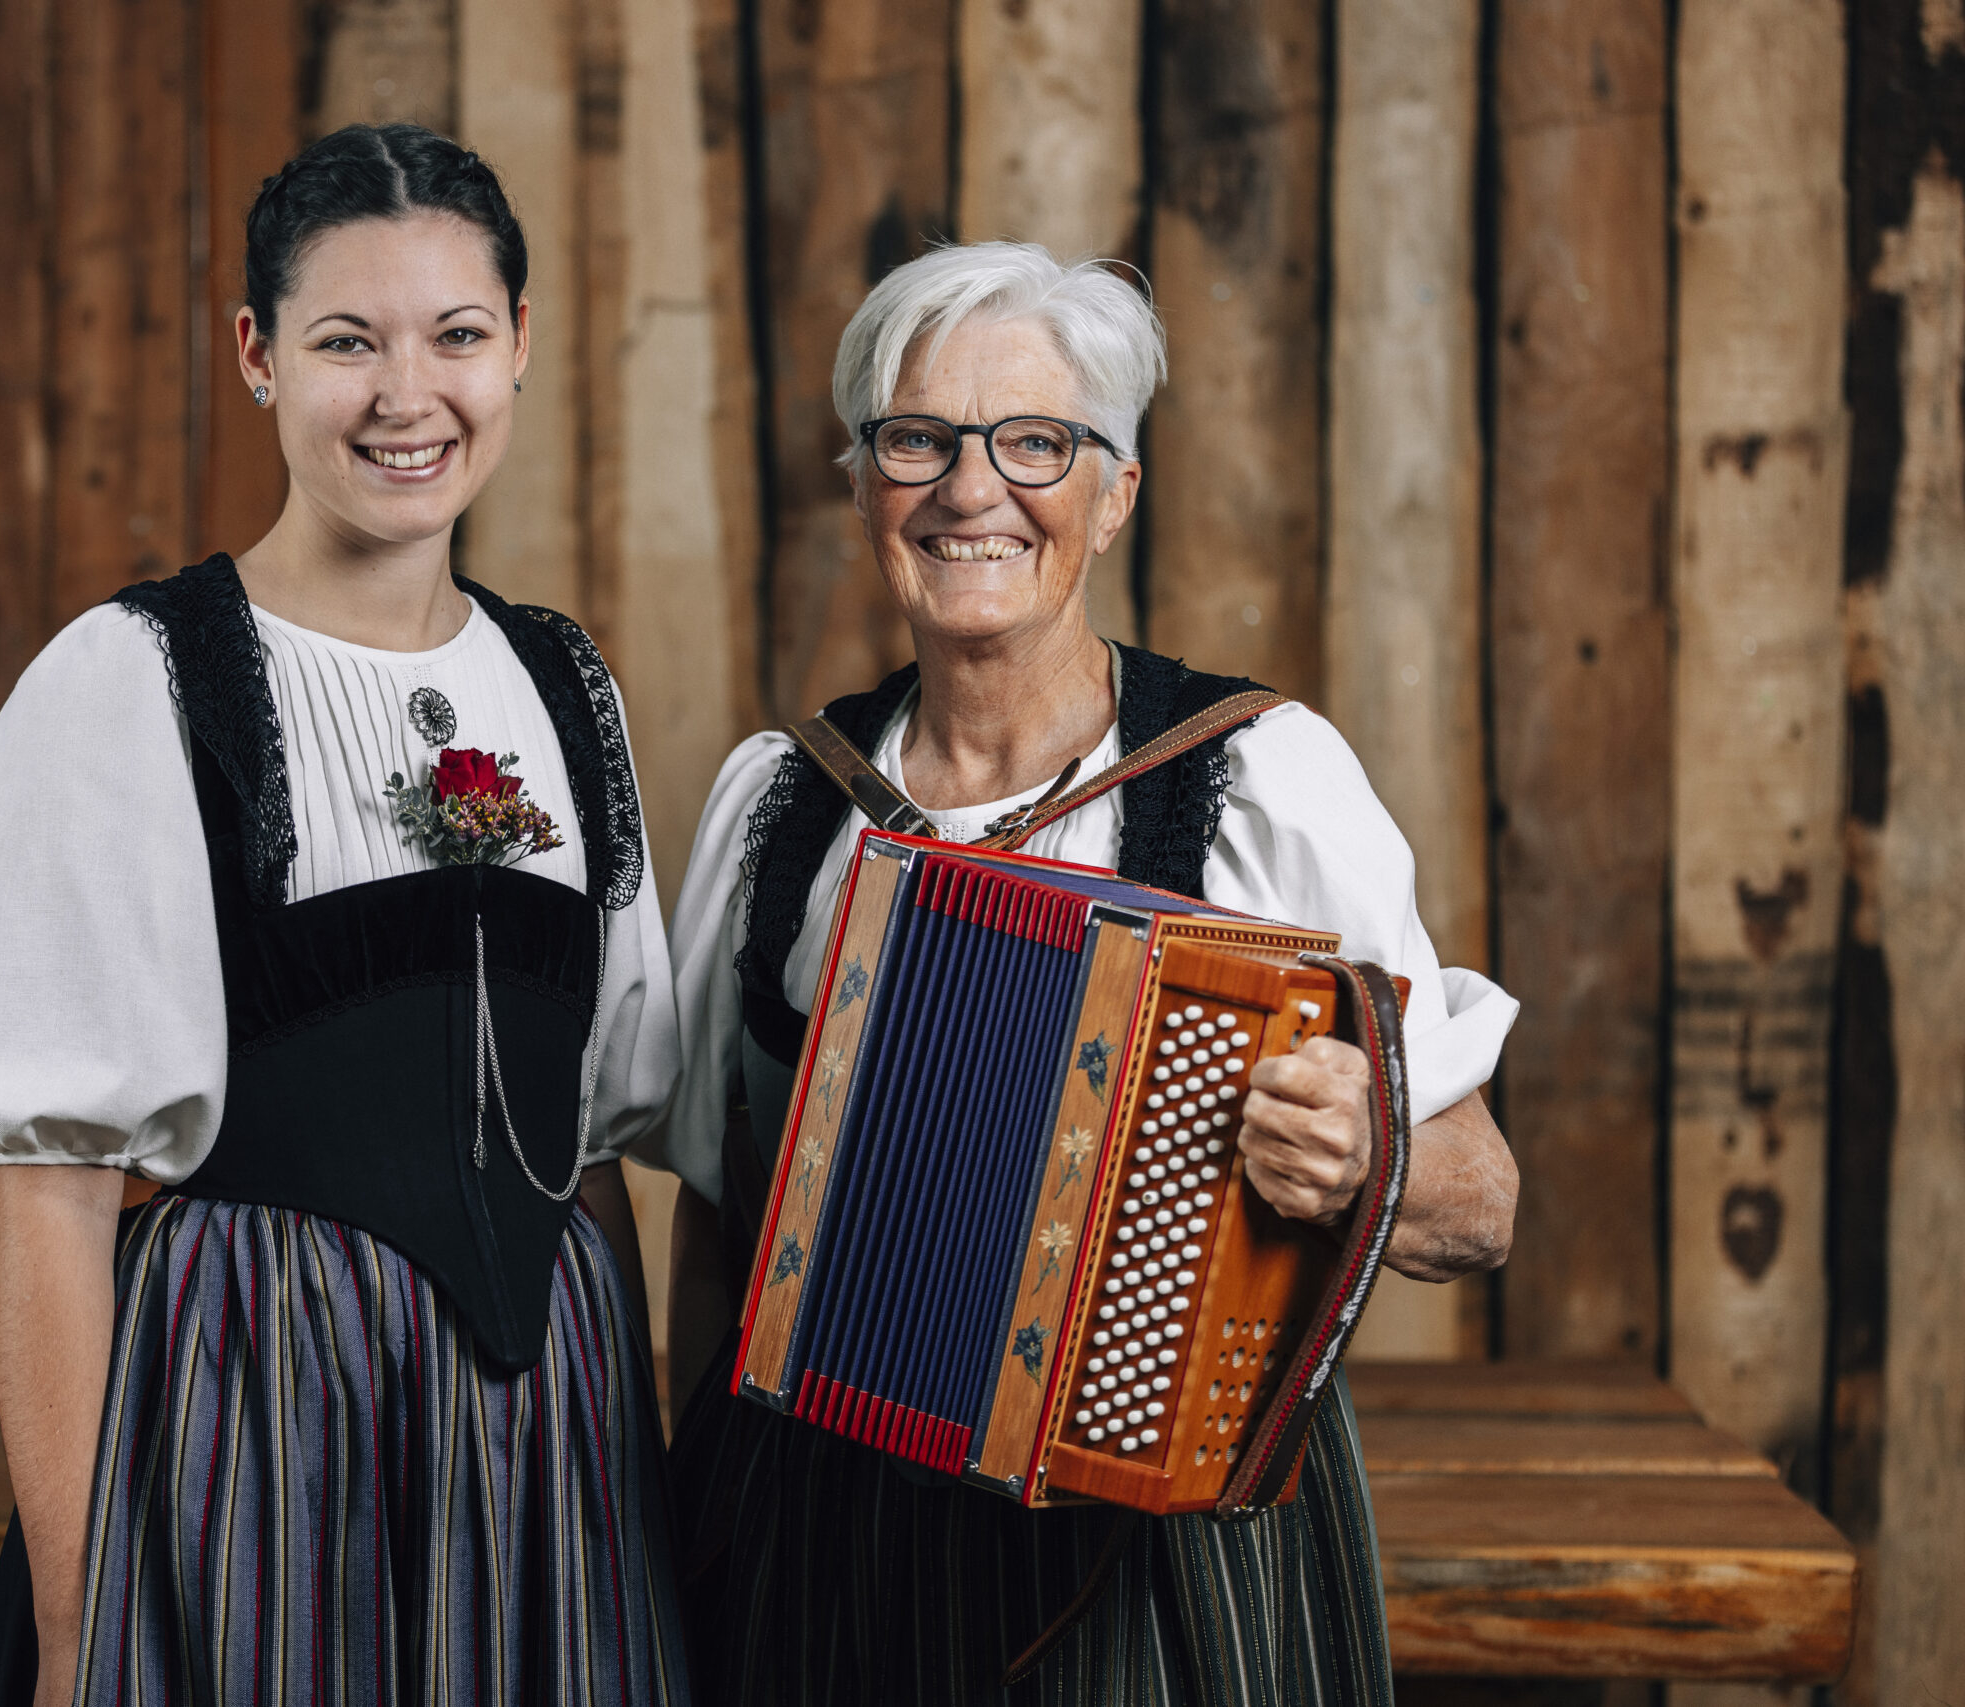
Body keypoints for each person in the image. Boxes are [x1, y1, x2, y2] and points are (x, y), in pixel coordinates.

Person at [647, 242, 1521, 1705]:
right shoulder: (780, 806)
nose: (971, 491)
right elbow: (720, 1225)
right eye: (916, 439)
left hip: (1161, 1569)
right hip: (821, 1543)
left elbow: (1480, 1202)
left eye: (1037, 443)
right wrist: (695, 1530)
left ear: (1115, 493)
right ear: (865, 485)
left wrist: (1363, 1151)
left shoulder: (1257, 779)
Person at [0, 123, 691, 1707]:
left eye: (458, 335)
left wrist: (627, 1520)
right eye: (349, 342)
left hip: (542, 1454)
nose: (410, 394)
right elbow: (50, 1206)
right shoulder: (133, 682)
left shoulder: (562, 687)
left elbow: (591, 1158)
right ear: (258, 356)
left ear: (520, 347)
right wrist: (78, 1640)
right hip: (254, 1428)